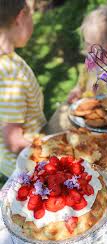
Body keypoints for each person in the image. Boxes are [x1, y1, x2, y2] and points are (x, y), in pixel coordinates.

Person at [45, 5, 107, 134]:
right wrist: (77, 91)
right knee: (55, 127)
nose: (85, 50)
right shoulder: (91, 65)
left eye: (88, 45)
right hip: (84, 125)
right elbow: (81, 85)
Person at [0, 0, 47, 177]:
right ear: (20, 17)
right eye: (32, 15)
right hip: (25, 164)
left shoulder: (8, 61)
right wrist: (54, 154)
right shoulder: (10, 73)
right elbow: (14, 141)